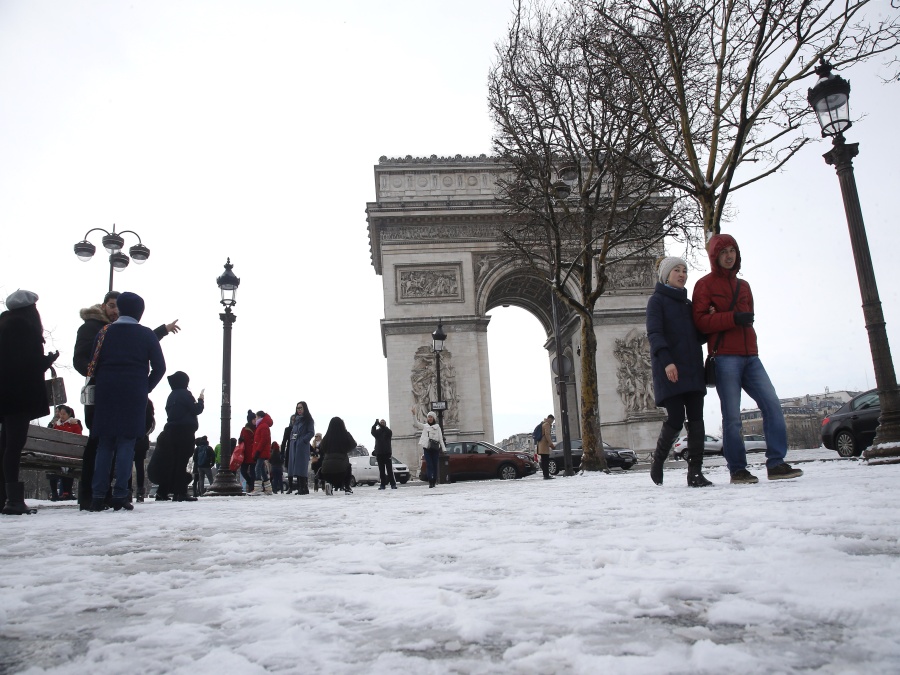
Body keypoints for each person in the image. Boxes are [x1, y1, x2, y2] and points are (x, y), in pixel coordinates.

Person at [692, 234, 803, 484]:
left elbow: (748, 315)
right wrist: (732, 318)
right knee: (732, 417)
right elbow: (699, 321)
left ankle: (776, 463)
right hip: (724, 357)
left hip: (751, 356)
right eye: (723, 252)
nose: (729, 256)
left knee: (773, 406)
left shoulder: (745, 286)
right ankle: (738, 470)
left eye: (733, 251)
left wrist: (723, 315)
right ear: (714, 257)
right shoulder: (704, 285)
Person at [73, 290, 179, 511]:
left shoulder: (103, 332)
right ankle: (121, 494)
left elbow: (91, 365)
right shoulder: (146, 335)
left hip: (106, 392)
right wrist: (145, 387)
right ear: (140, 312)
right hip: (133, 394)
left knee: (105, 444)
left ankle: (98, 495)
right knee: (126, 444)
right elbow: (160, 368)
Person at [647, 257, 712, 487]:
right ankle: (658, 459)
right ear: (666, 275)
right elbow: (655, 334)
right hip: (670, 368)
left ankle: (695, 473)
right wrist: (667, 362)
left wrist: (710, 319)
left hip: (693, 367)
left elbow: (699, 336)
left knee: (697, 421)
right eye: (677, 270)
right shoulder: (656, 301)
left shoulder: (689, 304)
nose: (682, 274)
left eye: (685, 270)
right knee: (675, 418)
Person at [0, 290, 59, 515]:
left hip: (6, 394)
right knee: (13, 446)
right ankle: (13, 500)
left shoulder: (5, 323)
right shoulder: (23, 327)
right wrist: (46, 361)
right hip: (18, 395)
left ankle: (5, 497)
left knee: (6, 445)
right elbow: (26, 365)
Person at [147, 371, 204, 502]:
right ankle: (180, 492)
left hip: (171, 431)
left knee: (171, 463)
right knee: (181, 462)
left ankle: (162, 491)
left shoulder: (171, 395)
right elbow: (196, 410)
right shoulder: (185, 394)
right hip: (185, 431)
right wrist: (201, 400)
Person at [48, 405, 82, 500]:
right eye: (60, 414)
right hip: (59, 452)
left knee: (67, 467)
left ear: (69, 414)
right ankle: (58, 493)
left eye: (64, 414)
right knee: (57, 467)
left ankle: (66, 492)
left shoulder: (74, 424)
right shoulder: (56, 425)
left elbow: (78, 437)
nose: (61, 416)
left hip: (70, 453)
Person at [318, 416, 356, 495]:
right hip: (341, 469)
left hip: (326, 470)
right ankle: (347, 487)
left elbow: (321, 448)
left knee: (328, 468)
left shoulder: (327, 436)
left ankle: (329, 484)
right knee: (348, 466)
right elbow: (353, 444)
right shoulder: (345, 435)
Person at [412, 407, 445, 488]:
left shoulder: (438, 427)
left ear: (434, 418)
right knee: (429, 465)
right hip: (427, 448)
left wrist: (444, 449)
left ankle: (434, 480)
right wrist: (414, 414)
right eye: (429, 417)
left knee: (435, 465)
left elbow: (441, 438)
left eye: (431, 417)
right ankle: (430, 481)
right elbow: (416, 424)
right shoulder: (425, 426)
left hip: (435, 448)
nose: (430, 418)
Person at [286, 402, 315, 495]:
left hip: (302, 446)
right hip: (294, 445)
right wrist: (292, 440)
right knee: (296, 467)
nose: (299, 410)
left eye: (300, 408)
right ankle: (300, 487)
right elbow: (293, 431)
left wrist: (303, 440)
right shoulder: (296, 420)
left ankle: (304, 487)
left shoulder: (308, 420)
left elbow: (311, 432)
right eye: (297, 408)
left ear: (304, 408)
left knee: (301, 466)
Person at [132, 400, 155, 502]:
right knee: (140, 466)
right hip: (142, 439)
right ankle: (140, 491)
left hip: (130, 437)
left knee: (127, 465)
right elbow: (151, 422)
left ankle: (127, 490)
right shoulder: (146, 402)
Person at [251, 411, 274, 495]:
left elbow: (263, 440)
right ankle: (268, 489)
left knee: (257, 468)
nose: (255, 419)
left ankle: (257, 488)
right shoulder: (262, 425)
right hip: (262, 451)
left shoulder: (263, 426)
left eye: (256, 417)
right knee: (262, 470)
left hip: (261, 451)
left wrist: (258, 451)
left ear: (260, 417)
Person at [371, 419, 396, 490]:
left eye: (383, 423)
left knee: (389, 470)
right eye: (381, 422)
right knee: (381, 471)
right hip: (379, 453)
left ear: (385, 424)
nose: (381, 424)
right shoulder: (378, 432)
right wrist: (374, 425)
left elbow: (389, 433)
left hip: (387, 453)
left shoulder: (388, 431)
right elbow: (373, 432)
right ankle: (382, 485)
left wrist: (380, 425)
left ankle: (393, 484)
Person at [239, 412, 256, 494]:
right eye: (253, 419)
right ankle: (250, 483)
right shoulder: (244, 429)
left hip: (253, 454)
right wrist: (240, 440)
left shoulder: (257, 428)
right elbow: (240, 440)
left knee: (253, 473)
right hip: (245, 454)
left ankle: (252, 487)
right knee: (243, 472)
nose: (255, 420)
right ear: (250, 420)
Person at [536, 414, 556, 480]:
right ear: (550, 419)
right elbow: (547, 435)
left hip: (541, 445)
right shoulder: (547, 424)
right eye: (552, 421)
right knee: (546, 461)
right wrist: (551, 444)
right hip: (544, 445)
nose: (552, 422)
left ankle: (545, 475)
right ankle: (546, 475)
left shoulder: (543, 424)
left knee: (544, 461)